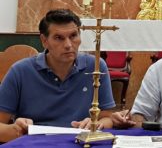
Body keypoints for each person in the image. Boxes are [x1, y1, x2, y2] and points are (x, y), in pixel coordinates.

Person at [0, 9, 115, 142]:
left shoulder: (96, 66)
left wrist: (96, 124)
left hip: (80, 142)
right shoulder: (20, 71)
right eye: (58, 38)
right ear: (44, 41)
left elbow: (108, 117)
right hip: (36, 143)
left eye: (73, 36)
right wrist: (17, 129)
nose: (68, 45)